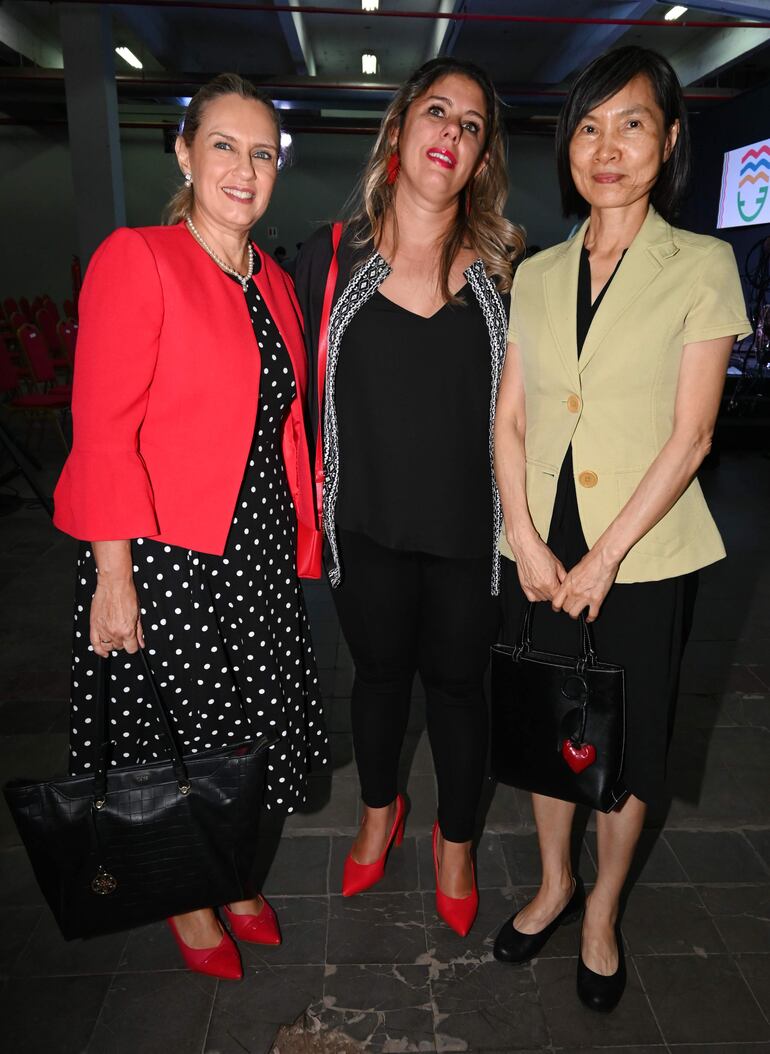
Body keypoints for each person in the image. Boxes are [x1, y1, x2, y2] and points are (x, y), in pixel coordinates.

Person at [53, 73, 329, 980]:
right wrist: (113, 575)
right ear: (183, 151)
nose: (245, 170)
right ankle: (186, 892)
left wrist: (301, 539)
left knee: (245, 727)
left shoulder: (278, 284)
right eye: (224, 146)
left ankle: (232, 869)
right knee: (180, 734)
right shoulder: (139, 258)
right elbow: (102, 428)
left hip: (251, 551)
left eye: (262, 153)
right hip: (165, 552)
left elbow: (285, 425)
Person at [492, 46, 751, 1011]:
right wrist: (522, 532)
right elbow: (510, 416)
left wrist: (602, 558)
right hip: (540, 546)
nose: (608, 148)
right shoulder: (537, 269)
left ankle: (601, 910)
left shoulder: (703, 264)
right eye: (590, 127)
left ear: (670, 139)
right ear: (569, 146)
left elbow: (692, 436)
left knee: (627, 742)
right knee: (543, 722)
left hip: (640, 550)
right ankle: (554, 882)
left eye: (632, 123)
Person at [295, 57, 523, 937]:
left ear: (481, 158)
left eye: (472, 125)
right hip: (366, 526)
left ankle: (456, 841)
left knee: (462, 689)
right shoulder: (331, 256)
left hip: (472, 532)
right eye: (439, 112)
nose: (453, 134)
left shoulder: (506, 272)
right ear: (398, 130)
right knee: (380, 679)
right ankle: (380, 813)